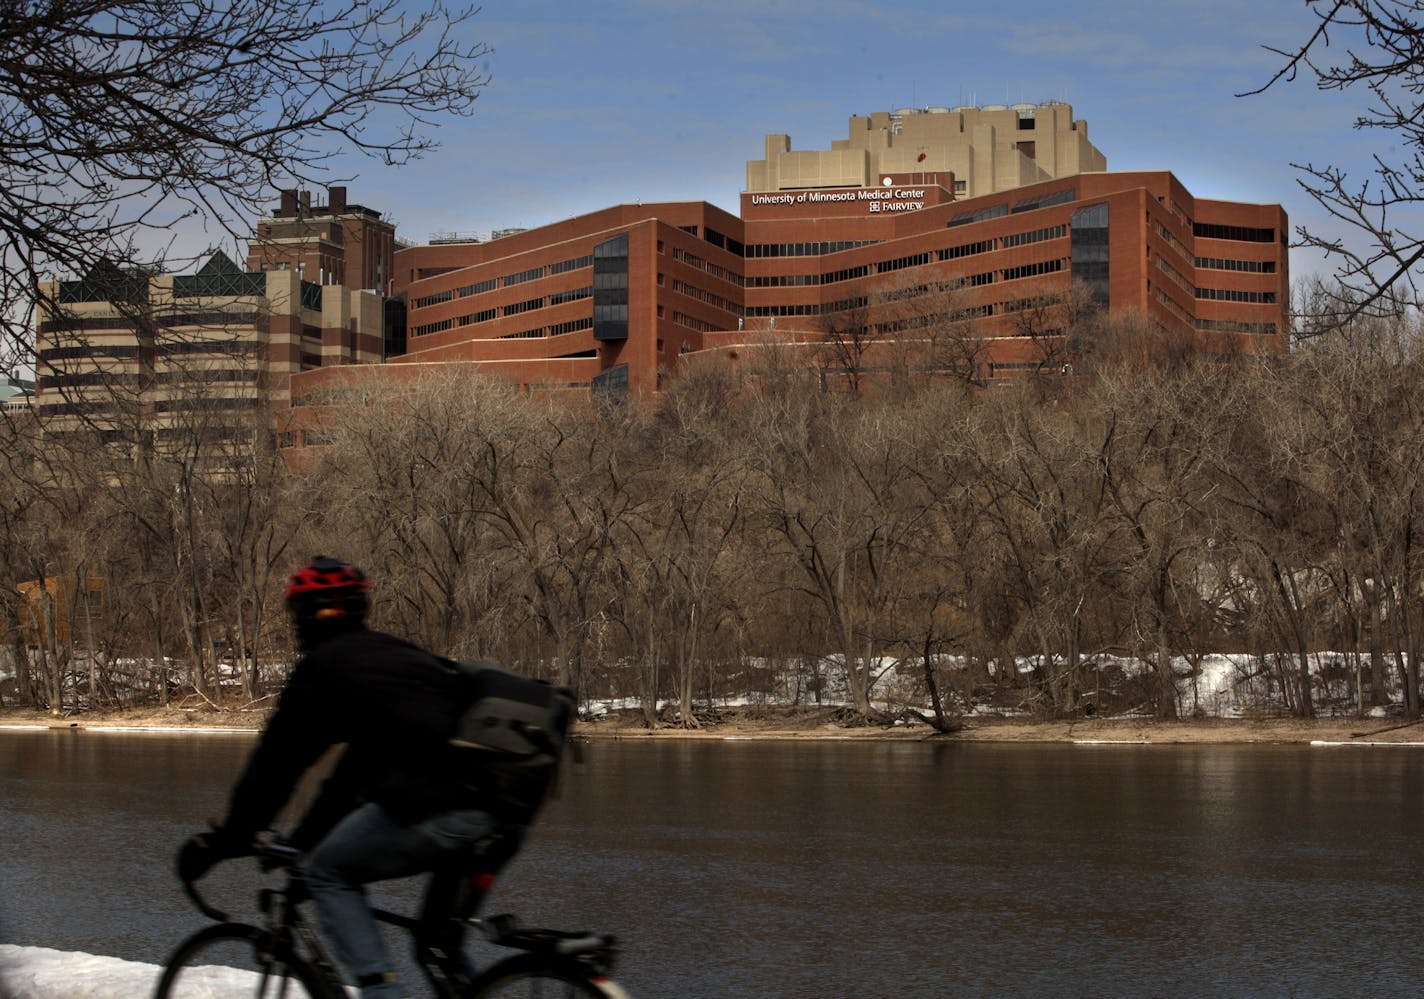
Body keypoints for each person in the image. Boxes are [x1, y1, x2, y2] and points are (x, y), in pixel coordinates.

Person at [176, 556, 500, 999]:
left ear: (304, 617)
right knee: (435, 947)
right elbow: (351, 781)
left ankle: (380, 991)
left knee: (330, 874)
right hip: (500, 805)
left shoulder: (325, 669)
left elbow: (275, 767)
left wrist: (224, 841)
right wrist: (303, 840)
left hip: (439, 803)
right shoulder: (397, 658)